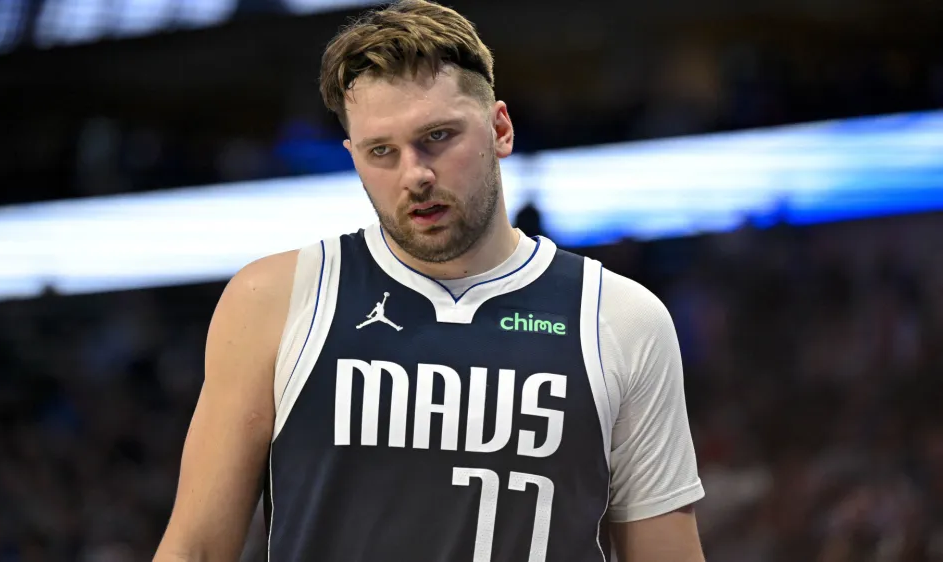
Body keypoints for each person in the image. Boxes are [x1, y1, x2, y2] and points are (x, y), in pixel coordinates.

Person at [153, 1, 705, 561]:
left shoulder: (621, 319)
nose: (414, 174)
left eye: (438, 137)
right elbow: (194, 549)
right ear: (354, 157)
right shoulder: (273, 299)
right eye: (382, 151)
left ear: (500, 129)